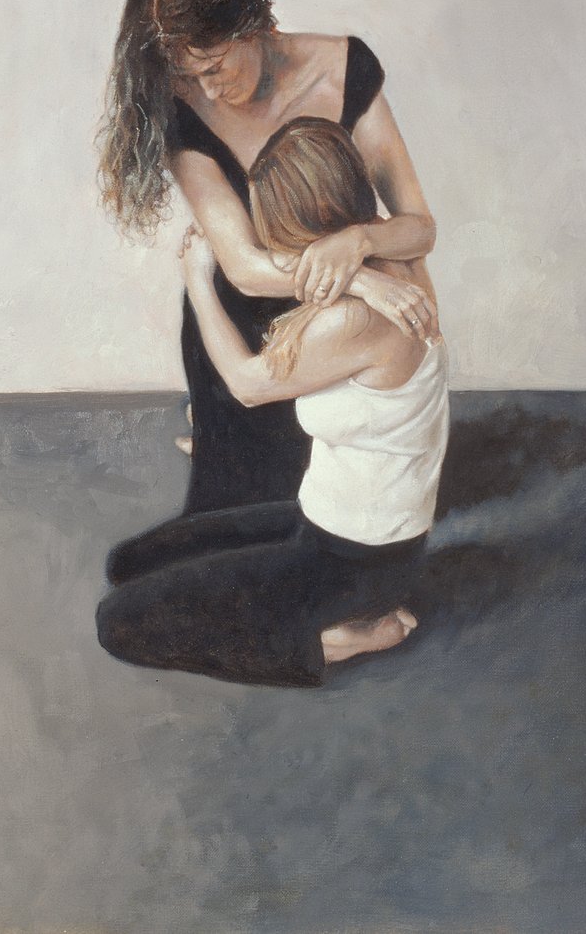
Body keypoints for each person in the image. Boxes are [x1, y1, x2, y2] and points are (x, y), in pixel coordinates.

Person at [95, 119, 449, 688]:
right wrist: (359, 276)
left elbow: (247, 384)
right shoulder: (391, 262)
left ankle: (333, 640)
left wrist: (199, 282)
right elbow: (335, 266)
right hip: (321, 522)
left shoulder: (355, 322)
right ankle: (315, 617)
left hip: (356, 561)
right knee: (128, 564)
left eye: (276, 232)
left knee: (118, 623)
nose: (271, 247)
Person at [98, 0, 439, 515]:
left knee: (344, 505)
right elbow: (243, 267)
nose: (206, 91)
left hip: (344, 328)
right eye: (187, 77)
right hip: (244, 325)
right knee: (240, 515)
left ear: (249, 23)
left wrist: (358, 243)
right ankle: (215, 435)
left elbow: (419, 229)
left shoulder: (344, 70)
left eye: (213, 67)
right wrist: (361, 280)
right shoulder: (184, 109)